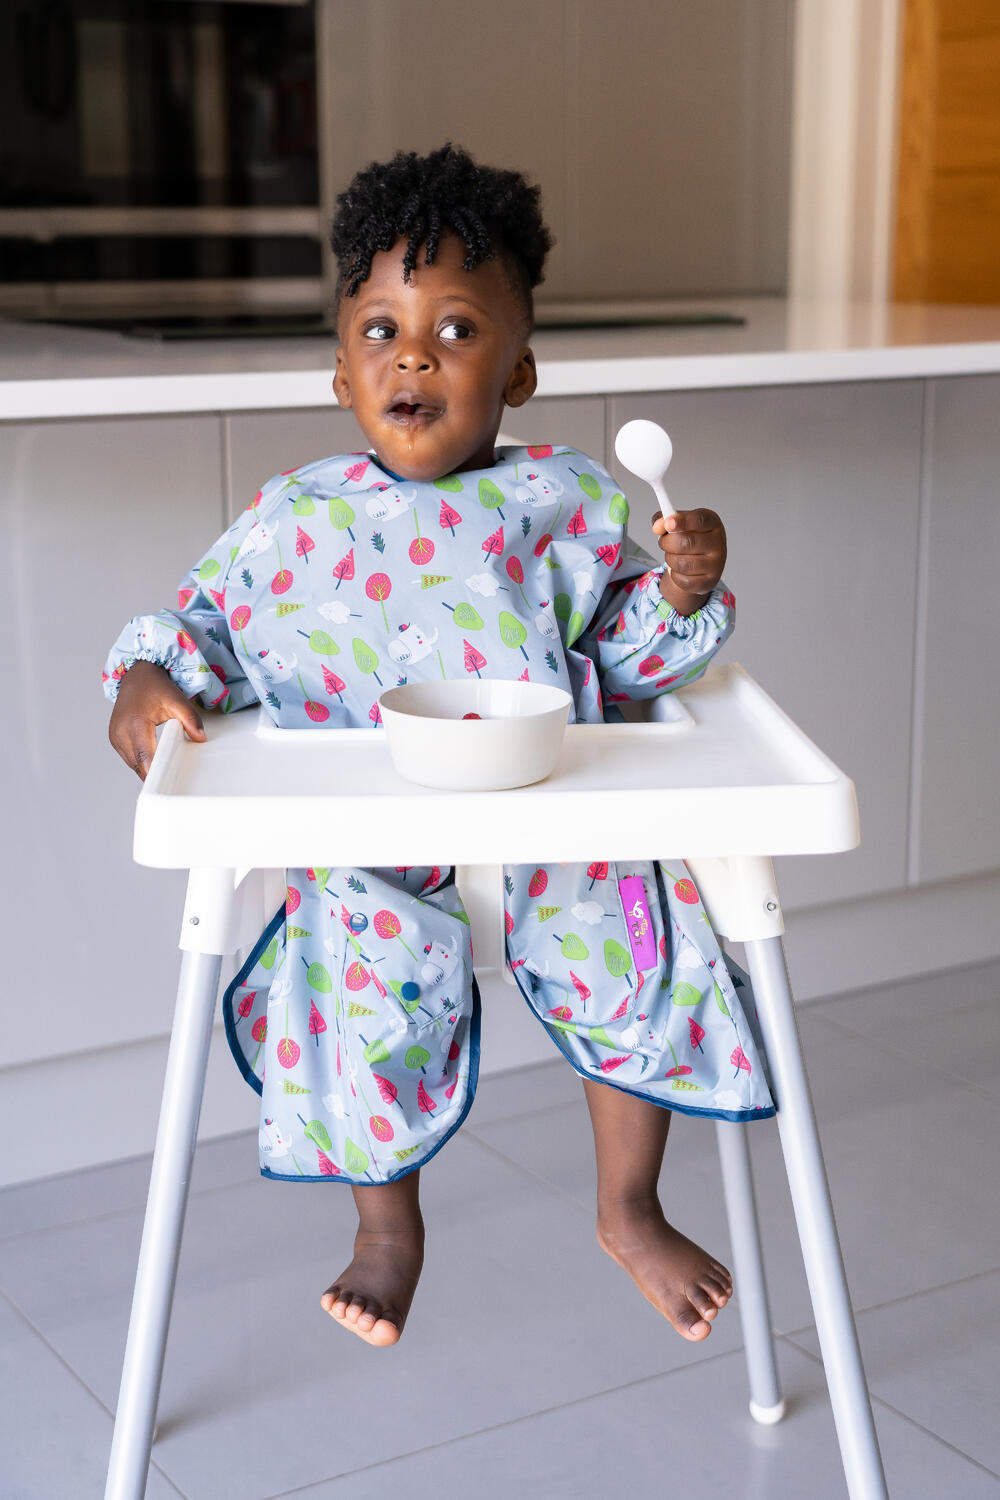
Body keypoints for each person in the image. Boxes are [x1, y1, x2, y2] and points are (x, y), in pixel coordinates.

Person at [105, 144, 772, 1353]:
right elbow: (201, 628)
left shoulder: (564, 503)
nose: (413, 356)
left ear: (518, 371)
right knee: (350, 979)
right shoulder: (293, 519)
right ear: (340, 370)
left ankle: (629, 1207)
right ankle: (387, 1231)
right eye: (381, 330)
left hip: (554, 820)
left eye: (455, 330)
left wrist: (680, 590)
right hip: (369, 843)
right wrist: (148, 679)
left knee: (641, 936)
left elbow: (627, 655)